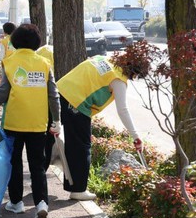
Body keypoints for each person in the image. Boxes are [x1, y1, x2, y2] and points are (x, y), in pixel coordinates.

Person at [0, 24, 60, 218]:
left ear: (14, 41)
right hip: (38, 123)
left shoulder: (9, 62)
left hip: (13, 123)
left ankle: (16, 202)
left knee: (14, 163)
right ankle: (41, 203)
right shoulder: (44, 63)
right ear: (37, 42)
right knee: (37, 165)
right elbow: (53, 95)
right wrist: (57, 120)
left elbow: (2, 95)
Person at [56, 48, 149, 201]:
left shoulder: (103, 59)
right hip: (77, 103)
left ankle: (37, 180)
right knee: (80, 147)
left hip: (58, 92)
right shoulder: (118, 79)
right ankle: (78, 189)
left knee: (45, 137)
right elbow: (123, 110)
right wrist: (135, 136)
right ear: (134, 71)